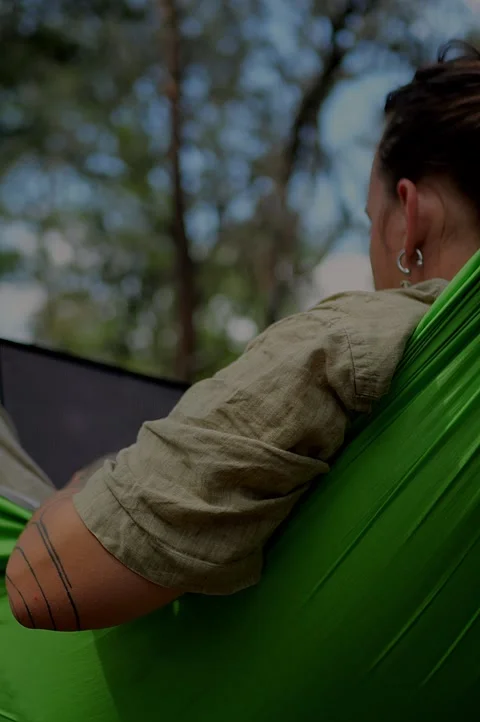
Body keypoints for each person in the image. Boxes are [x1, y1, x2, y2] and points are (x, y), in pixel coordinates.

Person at [5, 41, 480, 632]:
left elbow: (39, 587)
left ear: (410, 218)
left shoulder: (351, 344)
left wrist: (79, 486)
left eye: (369, 220)